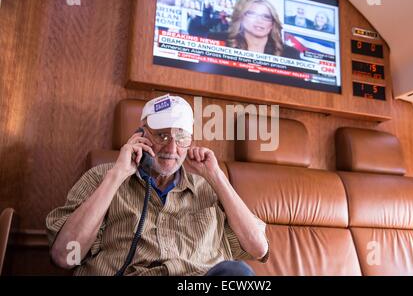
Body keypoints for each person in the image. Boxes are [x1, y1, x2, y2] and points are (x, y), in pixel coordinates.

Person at [46, 94, 269, 276]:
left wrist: (217, 177)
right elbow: (65, 257)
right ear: (140, 136)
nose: (172, 149)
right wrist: (117, 176)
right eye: (162, 136)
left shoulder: (209, 186)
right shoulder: (102, 177)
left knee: (237, 274)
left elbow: (258, 248)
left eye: (181, 137)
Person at [227, 0, 299, 58]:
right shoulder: (220, 41)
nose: (260, 21)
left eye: (266, 17)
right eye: (252, 14)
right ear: (241, 16)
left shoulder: (290, 53)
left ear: (272, 24)